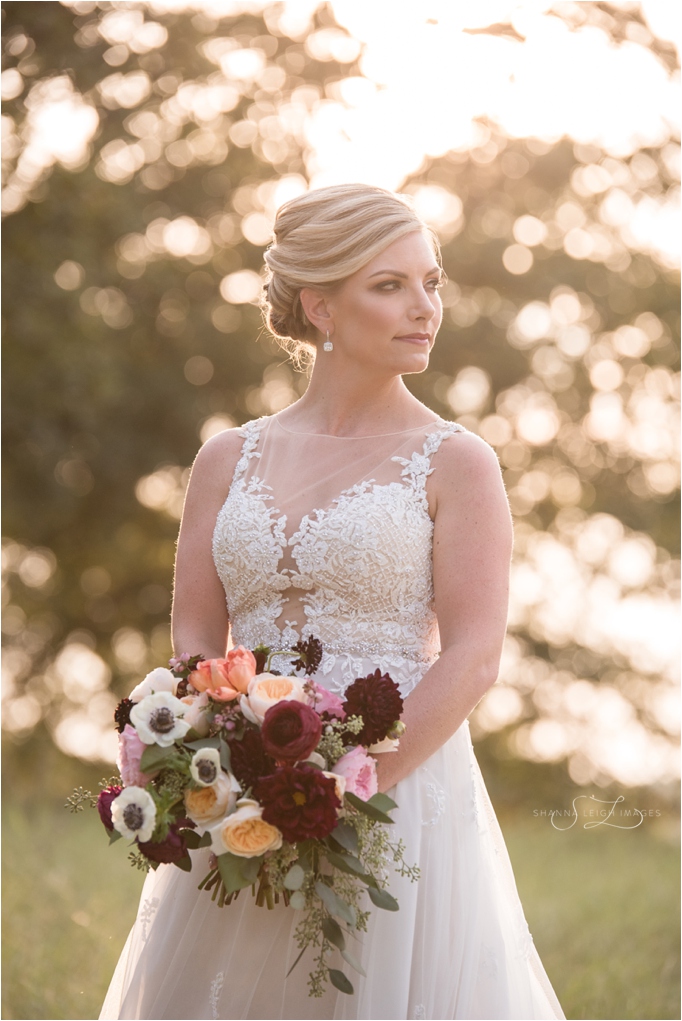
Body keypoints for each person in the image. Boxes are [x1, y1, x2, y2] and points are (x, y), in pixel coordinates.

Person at [100, 183, 566, 1021]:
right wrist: (217, 763)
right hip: (239, 784)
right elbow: (197, 637)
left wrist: (349, 786)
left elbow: (473, 654)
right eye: (390, 285)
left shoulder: (457, 462)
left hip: (398, 784)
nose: (425, 307)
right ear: (319, 306)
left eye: (432, 282)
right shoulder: (226, 458)